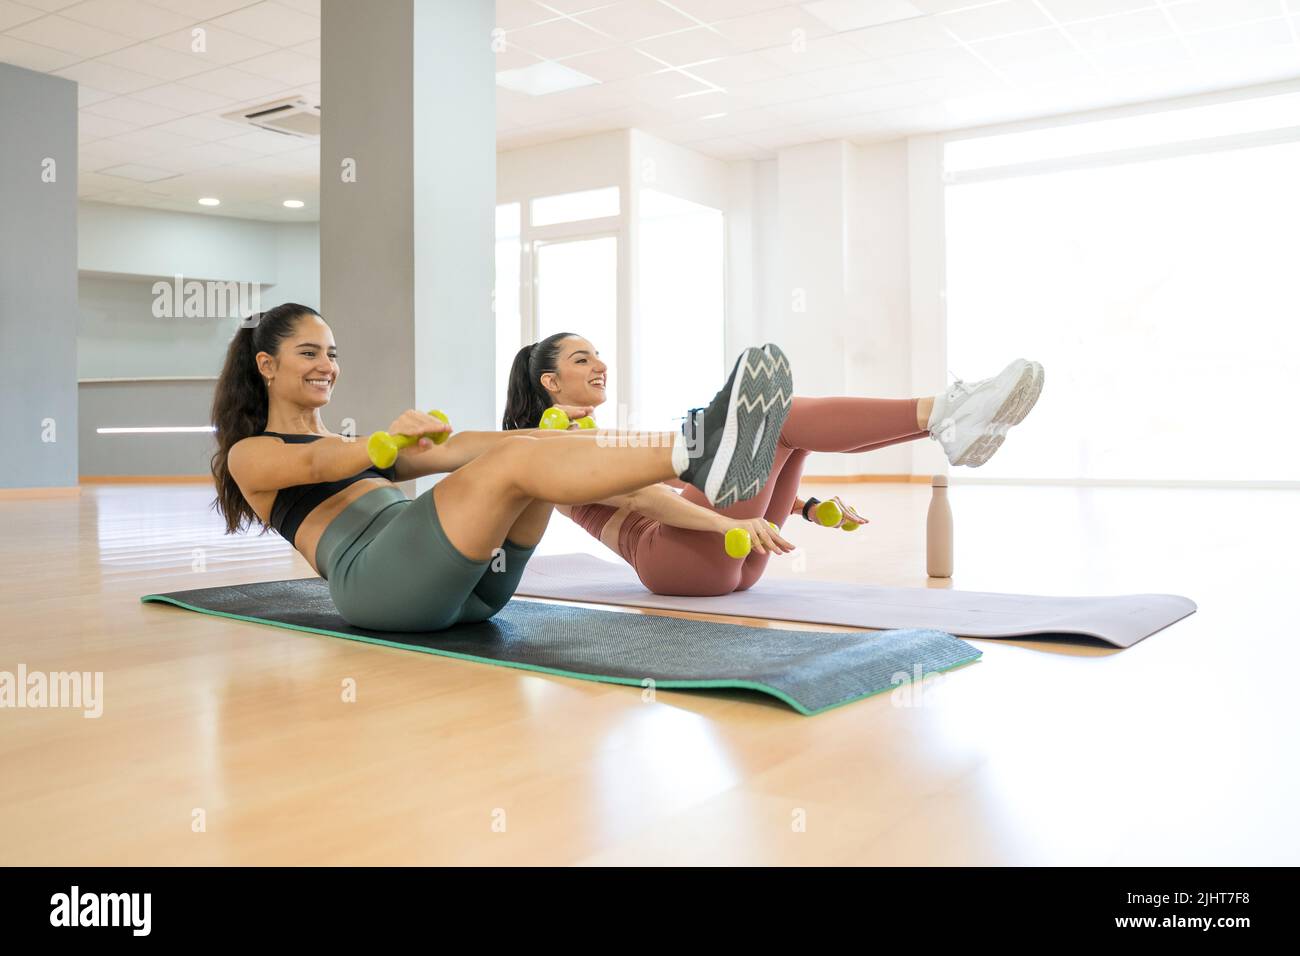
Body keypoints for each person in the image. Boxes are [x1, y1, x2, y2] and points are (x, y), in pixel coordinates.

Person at [209, 304, 793, 630]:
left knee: (528, 444)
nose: (327, 366)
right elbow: (316, 459)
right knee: (520, 454)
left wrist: (536, 434)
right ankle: (697, 452)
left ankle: (694, 446)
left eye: (332, 354)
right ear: (266, 364)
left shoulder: (361, 444)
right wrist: (383, 443)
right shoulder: (249, 453)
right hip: (380, 586)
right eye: (309, 353)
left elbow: (461, 447)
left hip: (473, 593)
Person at [502, 332, 1043, 596]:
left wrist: (805, 507)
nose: (600, 364)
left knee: (790, 436)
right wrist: (730, 524)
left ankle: (944, 421)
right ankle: (943, 413)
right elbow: (644, 501)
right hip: (674, 561)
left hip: (723, 563)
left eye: (596, 354)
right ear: (551, 383)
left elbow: (677, 476)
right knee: (777, 418)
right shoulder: (549, 446)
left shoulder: (600, 437)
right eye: (582, 359)